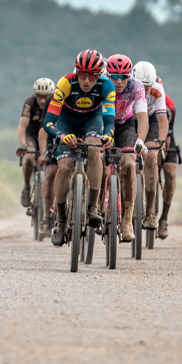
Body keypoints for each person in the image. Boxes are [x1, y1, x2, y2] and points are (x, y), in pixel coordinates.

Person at [44, 49, 116, 246]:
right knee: (65, 167)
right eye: (82, 74)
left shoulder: (107, 85)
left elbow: (109, 120)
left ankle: (92, 206)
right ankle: (60, 220)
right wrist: (61, 135)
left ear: (99, 75)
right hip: (66, 122)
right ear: (76, 71)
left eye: (92, 76)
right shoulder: (65, 83)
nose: (86, 80)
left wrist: (108, 135)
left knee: (94, 150)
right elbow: (48, 122)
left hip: (92, 119)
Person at [104, 54, 148, 243]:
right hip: (102, 123)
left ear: (130, 75)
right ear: (108, 74)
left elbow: (143, 117)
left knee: (130, 164)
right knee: (97, 159)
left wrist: (141, 140)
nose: (119, 81)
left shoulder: (136, 86)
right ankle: (93, 205)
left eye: (124, 77)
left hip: (125, 125)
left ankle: (127, 220)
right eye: (114, 76)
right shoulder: (101, 82)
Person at [132, 60, 166, 239]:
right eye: (142, 86)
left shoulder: (157, 89)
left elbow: (162, 120)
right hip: (129, 120)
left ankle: (151, 211)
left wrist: (161, 140)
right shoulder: (127, 87)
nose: (144, 91)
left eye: (147, 87)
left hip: (150, 120)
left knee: (152, 158)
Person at [16, 77, 55, 209]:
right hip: (32, 135)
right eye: (39, 96)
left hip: (48, 135)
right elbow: (22, 127)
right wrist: (23, 145)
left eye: (46, 96)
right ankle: (27, 187)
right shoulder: (30, 102)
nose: (42, 100)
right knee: (28, 157)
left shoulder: (56, 102)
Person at [157, 89, 181, 239]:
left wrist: (161, 157)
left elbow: (168, 134)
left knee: (170, 173)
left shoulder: (169, 105)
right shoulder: (137, 98)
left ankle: (164, 218)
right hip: (144, 134)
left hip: (165, 136)